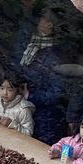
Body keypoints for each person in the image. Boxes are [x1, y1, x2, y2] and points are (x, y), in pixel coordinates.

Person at [15, 10, 69, 143]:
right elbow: (14, 62)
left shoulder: (56, 55)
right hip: (18, 103)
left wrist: (30, 95)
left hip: (44, 116)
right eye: (43, 19)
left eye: (50, 22)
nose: (47, 24)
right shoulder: (27, 40)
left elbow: (56, 92)